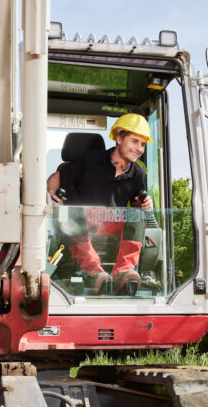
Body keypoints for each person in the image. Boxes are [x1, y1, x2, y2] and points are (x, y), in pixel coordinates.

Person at [46, 113, 155, 294]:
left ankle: (124, 271)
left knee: (138, 216)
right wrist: (51, 195)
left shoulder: (138, 173)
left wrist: (145, 205)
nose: (140, 148)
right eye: (135, 141)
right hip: (81, 223)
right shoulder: (90, 160)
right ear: (119, 138)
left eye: (143, 144)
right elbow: (56, 178)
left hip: (113, 223)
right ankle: (94, 272)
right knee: (73, 216)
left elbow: (137, 205)